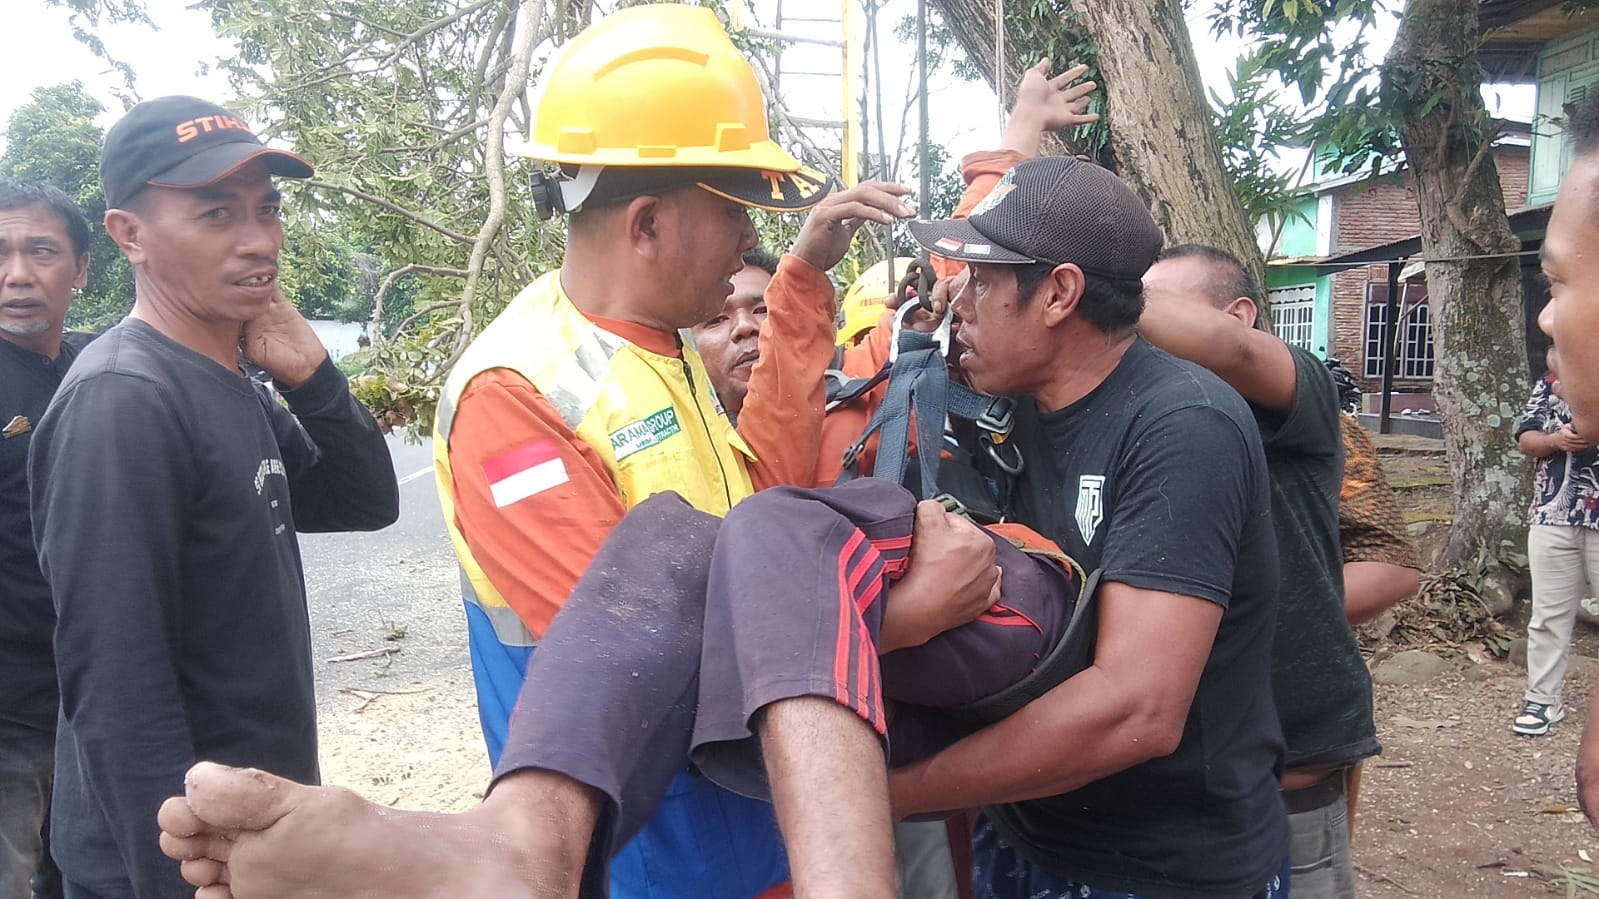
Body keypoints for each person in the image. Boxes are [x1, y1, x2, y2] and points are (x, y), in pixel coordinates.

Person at [158, 154, 1288, 899]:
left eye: (981, 280)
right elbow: (779, 466)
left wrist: (868, 775)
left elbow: (1139, 697)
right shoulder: (554, 377)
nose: (949, 301)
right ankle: (523, 839)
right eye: (735, 213)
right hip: (936, 800)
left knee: (748, 535)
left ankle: (565, 842)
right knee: (682, 539)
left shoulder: (1168, 421)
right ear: (649, 219)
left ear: (1056, 296)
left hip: (1082, 742)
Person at [426, 6, 926, 896]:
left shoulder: (655, 349)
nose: (748, 239)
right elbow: (638, 669)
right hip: (650, 858)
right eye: (733, 208)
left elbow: (761, 503)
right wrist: (910, 613)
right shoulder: (519, 396)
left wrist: (803, 283)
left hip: (746, 828)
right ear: (648, 223)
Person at [28, 95, 400, 899]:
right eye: (215, 213)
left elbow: (365, 500)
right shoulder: (124, 400)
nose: (258, 240)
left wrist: (314, 378)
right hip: (171, 859)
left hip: (257, 831)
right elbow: (115, 683)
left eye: (266, 209)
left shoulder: (234, 382)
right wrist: (178, 879)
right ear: (129, 235)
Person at [1141, 244, 1376, 899]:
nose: (1143, 325)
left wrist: (1092, 288)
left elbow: (1234, 355)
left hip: (1288, 752)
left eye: (1161, 305)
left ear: (1238, 315)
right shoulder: (1151, 414)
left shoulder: (1298, 396)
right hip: (1176, 767)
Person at [0, 178, 91, 899]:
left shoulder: (92, 370)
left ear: (82, 268)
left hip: (83, 705)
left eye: (41, 251)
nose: (17, 274)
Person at [1511, 370, 1599, 735]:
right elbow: (1525, 437)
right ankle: (1543, 701)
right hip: (1553, 513)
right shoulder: (1551, 382)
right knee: (1548, 615)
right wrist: (1555, 440)